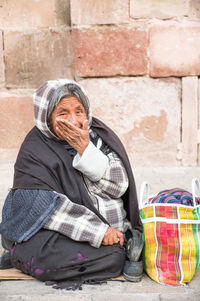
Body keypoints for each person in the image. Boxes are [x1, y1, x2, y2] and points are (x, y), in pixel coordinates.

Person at [0, 79, 143, 290]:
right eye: (63, 113)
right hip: (66, 229)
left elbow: (119, 186)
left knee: (112, 257)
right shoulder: (34, 149)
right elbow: (47, 208)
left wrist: (86, 151)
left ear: (87, 113)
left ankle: (18, 253)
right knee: (46, 253)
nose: (73, 121)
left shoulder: (99, 138)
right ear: (47, 118)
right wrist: (98, 233)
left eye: (79, 111)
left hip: (112, 226)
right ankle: (21, 252)